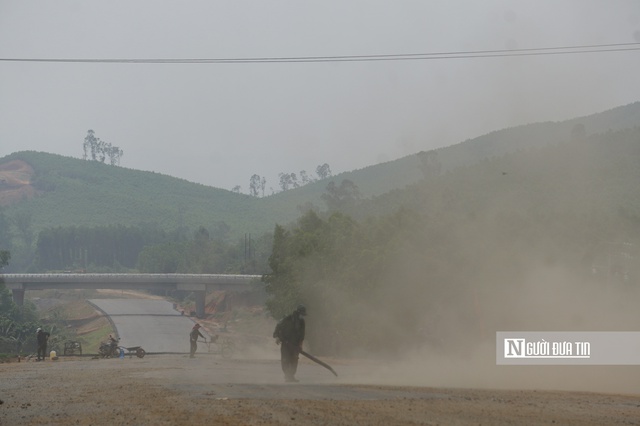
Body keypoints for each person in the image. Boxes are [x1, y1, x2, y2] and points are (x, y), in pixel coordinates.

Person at [273, 305, 306, 382]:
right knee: (285, 359)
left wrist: (300, 345)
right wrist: (277, 336)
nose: (302, 316)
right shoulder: (287, 318)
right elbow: (278, 325)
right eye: (301, 314)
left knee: (294, 360)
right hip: (286, 344)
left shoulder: (302, 322)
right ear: (297, 313)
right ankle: (287, 376)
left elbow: (302, 335)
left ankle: (291, 376)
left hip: (295, 346)